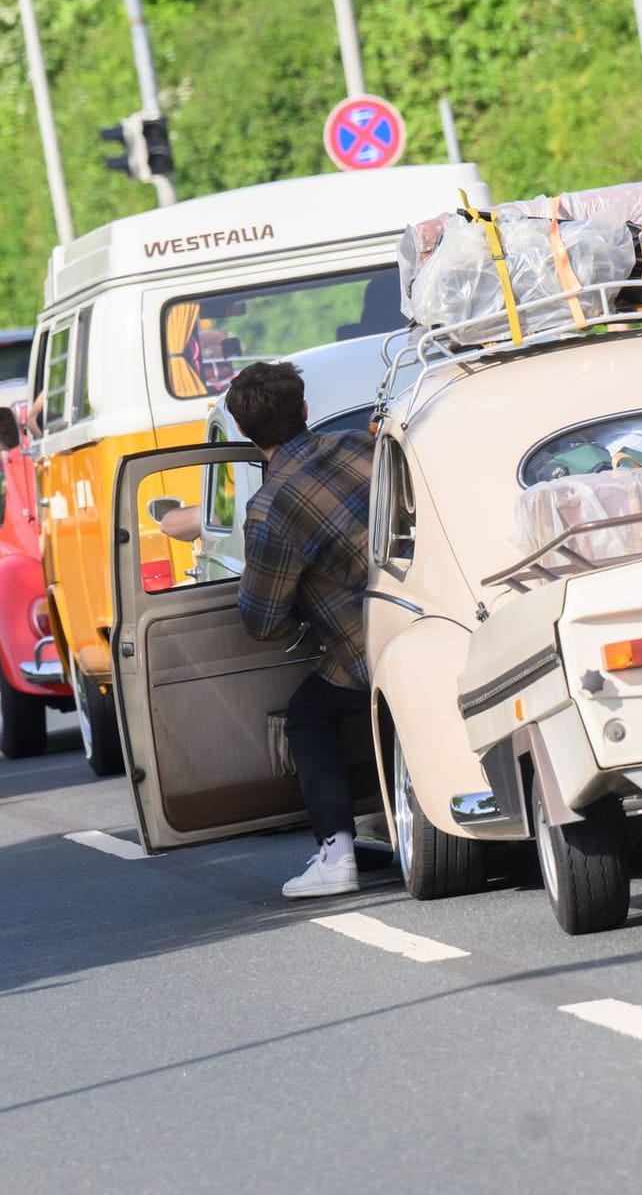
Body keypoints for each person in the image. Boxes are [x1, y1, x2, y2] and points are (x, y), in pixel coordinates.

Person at [223, 361, 375, 899]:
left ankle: (337, 853)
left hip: (370, 654)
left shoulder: (270, 508)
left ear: (243, 432)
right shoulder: (365, 446)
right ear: (305, 410)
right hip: (441, 615)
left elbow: (262, 622)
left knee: (310, 714)